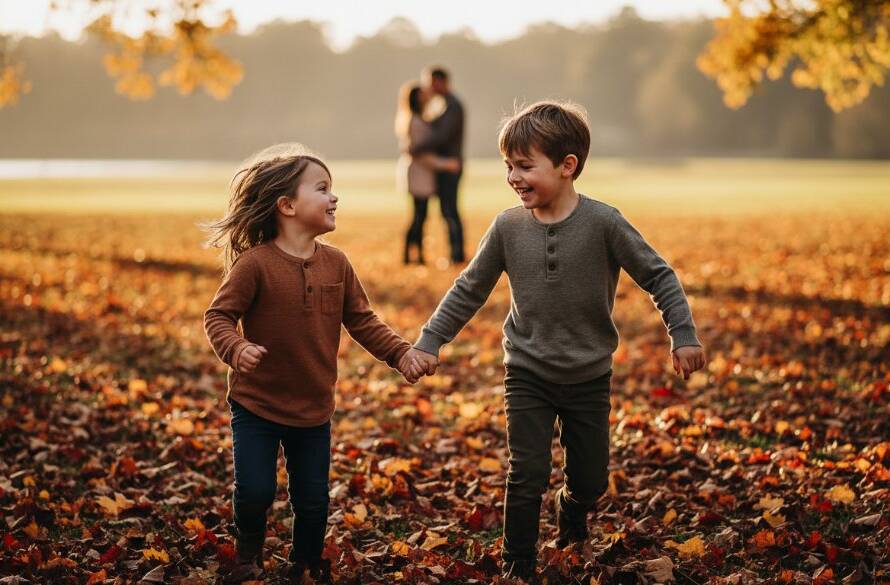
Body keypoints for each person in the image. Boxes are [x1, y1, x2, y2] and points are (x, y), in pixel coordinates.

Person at [405, 102, 707, 582]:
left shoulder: (604, 223)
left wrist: (683, 334)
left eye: (525, 166)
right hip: (527, 372)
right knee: (526, 473)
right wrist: (429, 341)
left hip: (589, 376)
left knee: (590, 480)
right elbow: (469, 289)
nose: (512, 176)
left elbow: (659, 275)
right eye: (508, 165)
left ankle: (573, 509)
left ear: (568, 166)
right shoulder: (507, 227)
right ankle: (517, 562)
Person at [203, 143, 426, 584]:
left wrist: (401, 353)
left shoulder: (337, 264)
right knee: (255, 491)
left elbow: (362, 321)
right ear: (286, 205)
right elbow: (219, 316)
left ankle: (303, 563)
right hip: (256, 405)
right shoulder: (255, 265)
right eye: (322, 188)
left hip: (313, 408)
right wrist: (235, 347)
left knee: (312, 499)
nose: (334, 197)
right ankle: (248, 553)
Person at [394, 82, 460, 264]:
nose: (428, 96)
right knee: (419, 216)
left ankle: (416, 256)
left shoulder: (418, 119)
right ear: (416, 98)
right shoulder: (415, 122)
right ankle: (410, 256)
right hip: (419, 174)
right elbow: (421, 155)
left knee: (420, 215)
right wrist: (446, 164)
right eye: (423, 94)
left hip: (421, 174)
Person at [409, 66, 466, 264]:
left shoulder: (452, 106)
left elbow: (442, 137)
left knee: (450, 210)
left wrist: (417, 147)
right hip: (443, 165)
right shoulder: (444, 105)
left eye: (431, 83)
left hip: (450, 166)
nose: (429, 88)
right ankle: (454, 254)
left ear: (441, 82)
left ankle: (457, 254)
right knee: (446, 210)